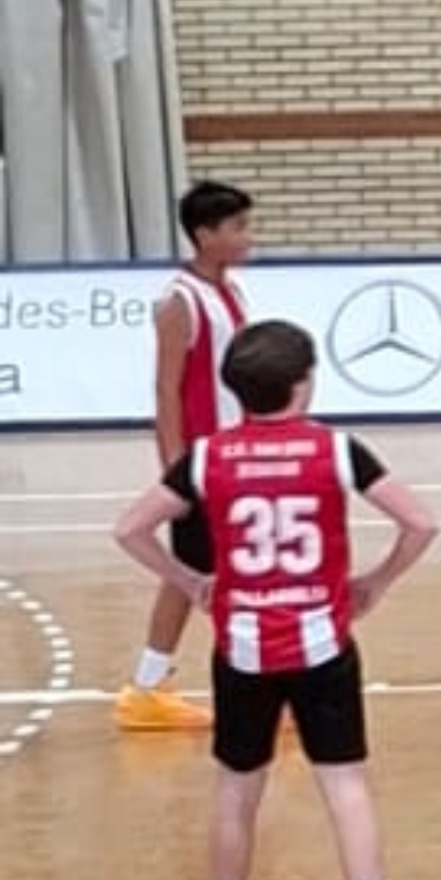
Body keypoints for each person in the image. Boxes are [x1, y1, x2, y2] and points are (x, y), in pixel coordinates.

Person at [111, 320, 439, 880]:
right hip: (323, 643)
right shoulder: (336, 449)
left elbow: (129, 529)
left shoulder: (206, 456)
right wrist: (377, 581)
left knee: (237, 790)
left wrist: (189, 580)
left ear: (237, 389)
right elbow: (422, 522)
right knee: (345, 786)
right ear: (305, 383)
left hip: (243, 646)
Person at [115, 180, 255, 732]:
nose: (248, 237)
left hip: (233, 456)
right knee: (208, 572)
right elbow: (166, 388)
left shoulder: (233, 292)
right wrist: (176, 468)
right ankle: (243, 686)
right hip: (203, 461)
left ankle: (148, 686)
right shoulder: (180, 300)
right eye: (238, 227)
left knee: (193, 572)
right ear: (205, 234)